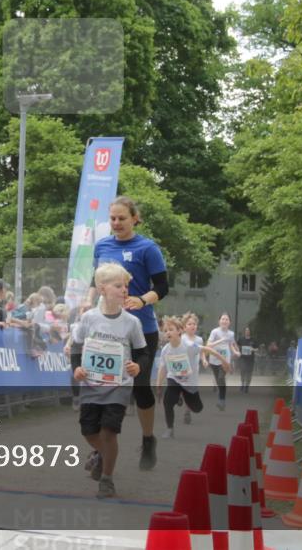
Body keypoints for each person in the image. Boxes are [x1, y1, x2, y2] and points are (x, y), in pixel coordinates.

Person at [85, 196, 168, 470]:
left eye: (122, 218)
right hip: (106, 328)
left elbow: (163, 287)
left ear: (135, 218)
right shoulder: (102, 246)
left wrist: (142, 300)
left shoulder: (147, 248)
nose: (117, 223)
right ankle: (101, 450)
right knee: (103, 387)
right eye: (113, 218)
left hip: (140, 328)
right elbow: (95, 281)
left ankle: (148, 439)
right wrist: (88, 301)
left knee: (140, 389)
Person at [70, 263, 146, 499]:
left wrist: (138, 366)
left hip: (119, 385)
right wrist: (77, 368)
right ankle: (101, 455)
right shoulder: (88, 318)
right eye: (118, 286)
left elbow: (143, 352)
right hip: (91, 384)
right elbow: (76, 346)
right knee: (89, 431)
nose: (124, 290)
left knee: (109, 431)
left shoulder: (131, 322)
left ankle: (107, 479)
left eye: (126, 286)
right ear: (102, 289)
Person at [157, 317, 226, 438]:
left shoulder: (188, 346)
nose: (168, 332)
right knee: (167, 401)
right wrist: (158, 385)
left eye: (171, 329)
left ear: (179, 331)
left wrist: (224, 361)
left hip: (189, 382)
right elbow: (162, 368)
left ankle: (182, 396)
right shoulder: (165, 350)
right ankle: (169, 429)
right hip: (174, 378)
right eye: (165, 330)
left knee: (197, 408)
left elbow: (206, 349)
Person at [207, 312, 241, 410]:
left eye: (226, 319)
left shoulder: (231, 334)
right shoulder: (215, 332)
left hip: (225, 360)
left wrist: (235, 352)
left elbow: (231, 344)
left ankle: (222, 401)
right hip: (214, 360)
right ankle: (221, 395)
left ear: (229, 322)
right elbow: (209, 345)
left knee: (221, 378)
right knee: (218, 380)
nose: (224, 321)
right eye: (223, 319)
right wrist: (220, 340)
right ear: (219, 321)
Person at [180, 313, 203, 425]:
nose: (192, 326)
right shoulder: (181, 338)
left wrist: (204, 360)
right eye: (189, 324)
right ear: (184, 327)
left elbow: (201, 352)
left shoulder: (199, 340)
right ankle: (179, 396)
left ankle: (187, 411)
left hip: (193, 368)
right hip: (182, 367)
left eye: (194, 324)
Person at [237, 326, 256, 393]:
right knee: (242, 372)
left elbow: (257, 348)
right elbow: (237, 345)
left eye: (248, 330)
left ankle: (247, 386)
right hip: (243, 358)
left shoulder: (253, 340)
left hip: (251, 359)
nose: (247, 332)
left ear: (250, 332)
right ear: (244, 332)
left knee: (249, 373)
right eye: (246, 330)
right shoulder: (241, 339)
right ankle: (242, 384)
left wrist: (253, 349)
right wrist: (238, 350)